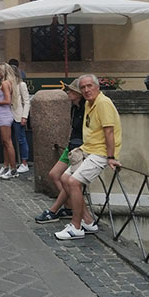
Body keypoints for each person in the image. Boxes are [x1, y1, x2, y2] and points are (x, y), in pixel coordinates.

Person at [54, 74, 122, 240]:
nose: (86, 90)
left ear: (97, 87)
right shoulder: (90, 104)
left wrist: (111, 157)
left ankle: (76, 227)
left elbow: (109, 131)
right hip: (88, 149)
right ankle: (88, 221)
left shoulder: (103, 103)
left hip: (100, 153)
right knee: (64, 178)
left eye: (89, 86)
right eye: (83, 87)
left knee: (73, 182)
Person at [35, 80, 85, 223]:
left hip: (79, 148)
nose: (67, 92)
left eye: (70, 90)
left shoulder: (85, 108)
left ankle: (54, 210)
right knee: (54, 175)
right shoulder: (73, 107)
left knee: (67, 180)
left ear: (78, 94)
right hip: (71, 146)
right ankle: (69, 207)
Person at [8, 64, 31, 173]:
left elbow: (27, 101)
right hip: (9, 115)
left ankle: (24, 162)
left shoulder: (21, 85)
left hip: (18, 115)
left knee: (21, 139)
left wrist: (24, 116)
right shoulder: (8, 85)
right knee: (10, 139)